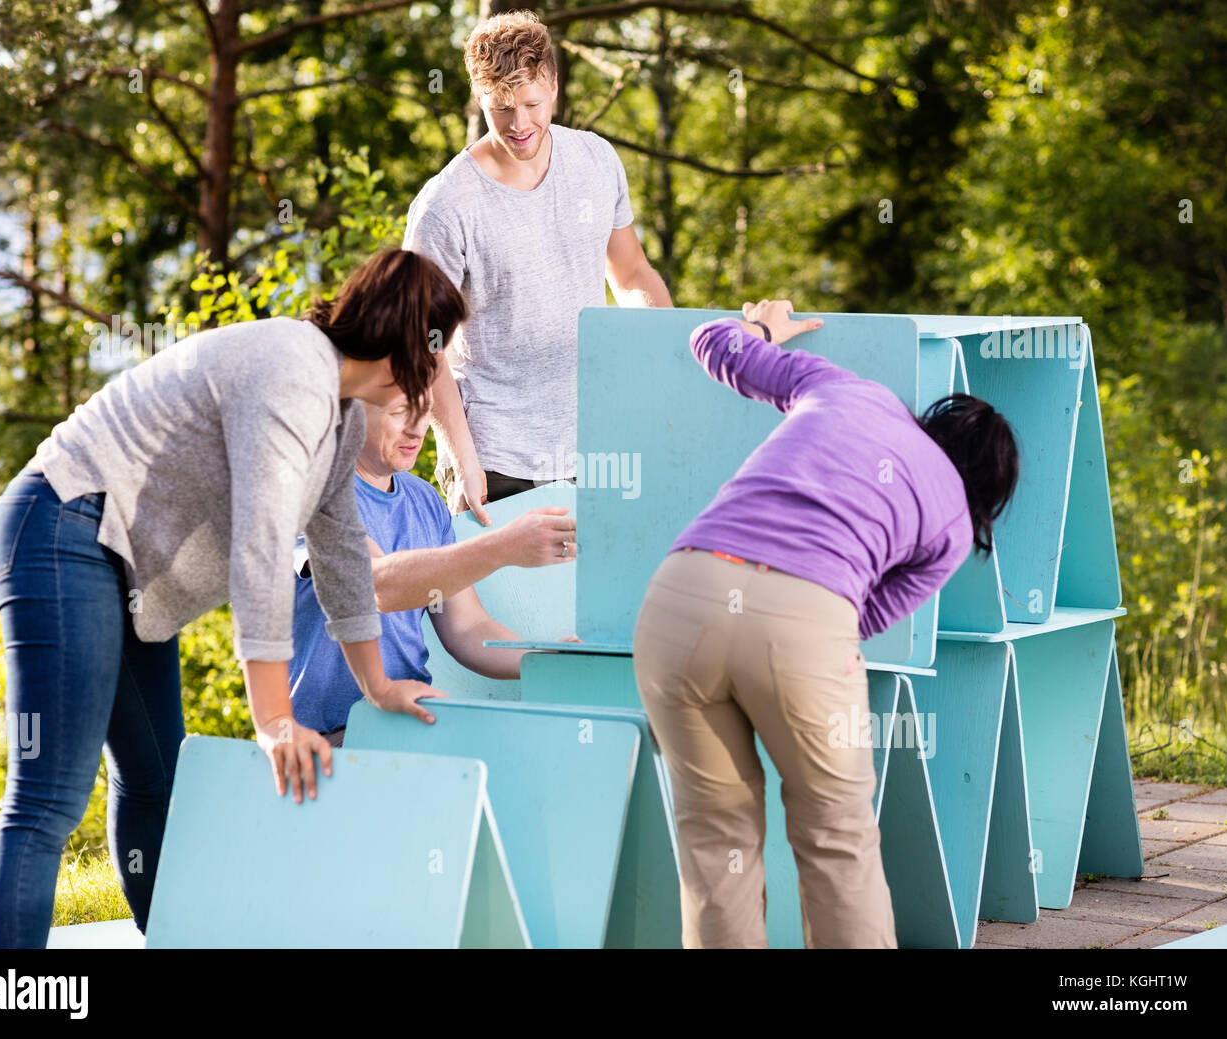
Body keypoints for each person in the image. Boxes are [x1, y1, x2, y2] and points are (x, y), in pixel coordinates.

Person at [0, 248, 463, 948]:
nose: (442, 374)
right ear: (404, 343)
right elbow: (263, 548)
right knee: (49, 795)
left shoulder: (343, 417)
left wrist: (379, 685)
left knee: (156, 779)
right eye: (438, 349)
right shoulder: (295, 369)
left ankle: (163, 939)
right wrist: (273, 719)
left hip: (128, 567)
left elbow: (338, 559)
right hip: (64, 523)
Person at [632, 299, 1020, 949]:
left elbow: (712, 341)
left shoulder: (851, 391)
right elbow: (863, 615)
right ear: (989, 495)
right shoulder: (954, 522)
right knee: (837, 840)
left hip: (680, 597)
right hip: (804, 624)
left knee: (714, 841)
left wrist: (760, 327)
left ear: (933, 421)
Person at [402, 9, 673, 524]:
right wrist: (461, 458)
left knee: (600, 603)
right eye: (501, 108)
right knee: (505, 608)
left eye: (531, 103)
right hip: (496, 455)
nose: (520, 124)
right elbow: (422, 342)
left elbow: (633, 274)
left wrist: (666, 371)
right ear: (479, 96)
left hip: (599, 443)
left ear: (553, 85)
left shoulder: (596, 160)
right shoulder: (445, 206)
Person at [287, 384, 580, 744]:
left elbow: (468, 628)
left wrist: (545, 663)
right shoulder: (310, 489)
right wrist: (503, 547)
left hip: (407, 731)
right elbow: (379, 585)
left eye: (424, 409)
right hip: (323, 744)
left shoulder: (424, 500)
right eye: (399, 412)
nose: (417, 428)